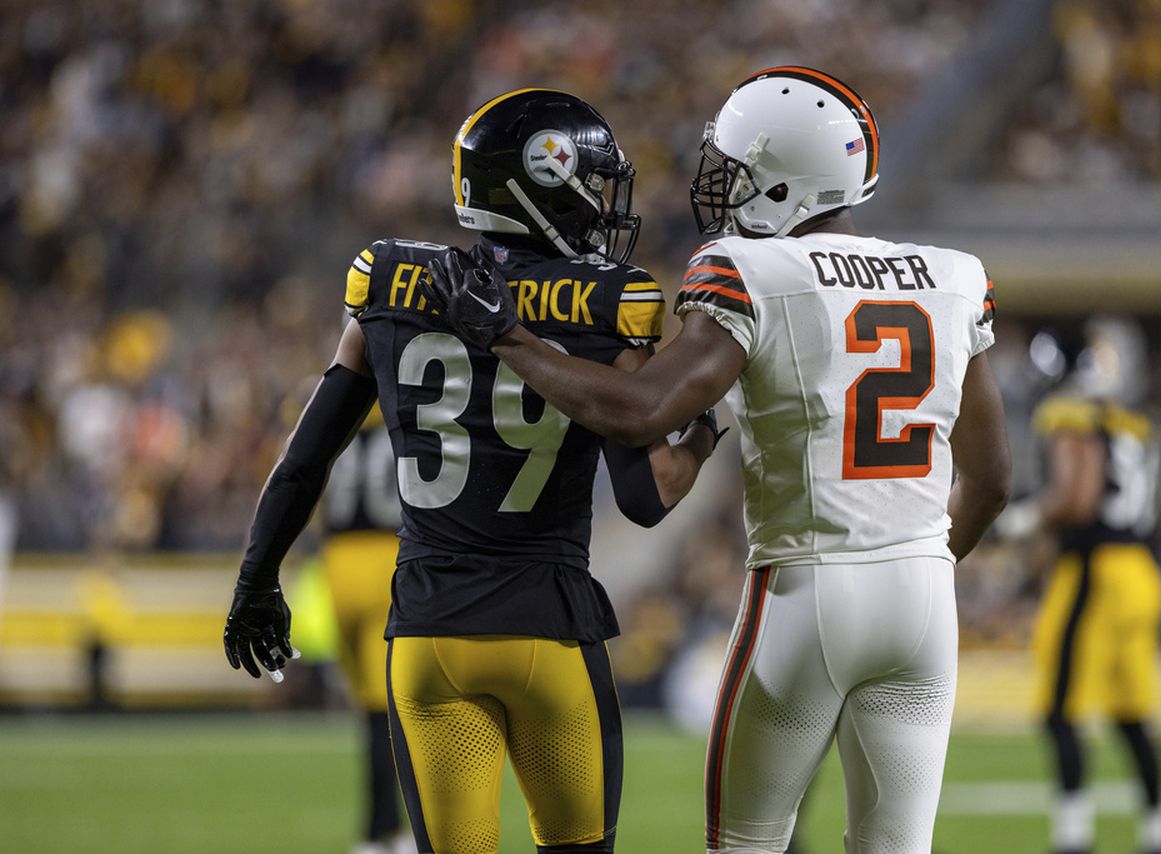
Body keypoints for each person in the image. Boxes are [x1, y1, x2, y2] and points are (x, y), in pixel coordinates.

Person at [426, 66, 1012, 854]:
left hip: (808, 588)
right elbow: (994, 477)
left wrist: (510, 338)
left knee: (743, 844)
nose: (725, 190)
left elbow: (639, 413)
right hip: (924, 598)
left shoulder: (753, 270)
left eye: (739, 171)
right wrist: (924, 567)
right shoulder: (952, 276)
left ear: (785, 180)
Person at [222, 88, 722, 854]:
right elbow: (648, 497)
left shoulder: (388, 284)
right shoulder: (605, 302)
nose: (600, 201)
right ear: (539, 183)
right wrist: (706, 435)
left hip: (427, 639)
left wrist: (256, 581)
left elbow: (303, 461)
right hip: (546, 629)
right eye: (588, 181)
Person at [1000, 318, 1161, 854]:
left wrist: (1021, 521)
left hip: (1096, 574)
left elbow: (1078, 497)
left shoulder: (1069, 413)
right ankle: (1158, 834)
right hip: (1141, 572)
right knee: (1131, 713)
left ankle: (1073, 838)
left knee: (1058, 709)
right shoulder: (1131, 422)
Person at [321, 406, 411, 854]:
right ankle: (382, 830)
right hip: (383, 564)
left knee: (369, 708)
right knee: (384, 712)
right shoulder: (402, 413)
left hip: (335, 568)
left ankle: (381, 829)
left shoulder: (333, 414)